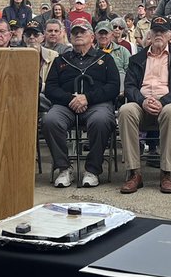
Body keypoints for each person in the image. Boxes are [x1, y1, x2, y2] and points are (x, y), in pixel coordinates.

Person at [43, 19, 120, 188]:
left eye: (82, 32)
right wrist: (71, 99)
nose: (78, 35)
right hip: (66, 106)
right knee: (50, 120)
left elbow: (113, 87)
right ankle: (64, 168)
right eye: (75, 32)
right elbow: (50, 88)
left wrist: (88, 98)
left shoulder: (106, 59)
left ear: (92, 37)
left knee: (101, 120)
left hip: (97, 105)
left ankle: (92, 170)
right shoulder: (61, 60)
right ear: (70, 37)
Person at [118, 17, 171, 194]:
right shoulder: (137, 58)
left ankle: (166, 173)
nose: (159, 34)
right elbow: (129, 86)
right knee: (125, 110)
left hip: (169, 103)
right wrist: (142, 100)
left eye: (163, 31)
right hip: (142, 103)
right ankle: (134, 173)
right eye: (155, 31)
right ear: (149, 34)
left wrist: (163, 101)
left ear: (170, 35)